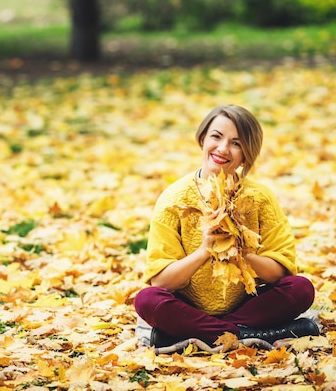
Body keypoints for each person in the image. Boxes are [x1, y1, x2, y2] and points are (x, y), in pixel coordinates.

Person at [134, 104, 319, 351]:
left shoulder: (260, 198)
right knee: (147, 300)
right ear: (202, 139)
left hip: (249, 307)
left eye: (236, 143)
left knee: (301, 288)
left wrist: (244, 251)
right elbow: (161, 281)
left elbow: (282, 273)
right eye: (216, 137)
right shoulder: (173, 199)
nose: (223, 149)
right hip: (188, 306)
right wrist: (203, 251)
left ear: (246, 155)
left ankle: (191, 336)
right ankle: (249, 334)